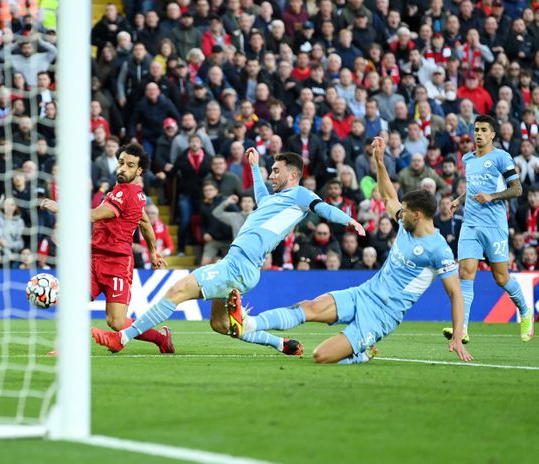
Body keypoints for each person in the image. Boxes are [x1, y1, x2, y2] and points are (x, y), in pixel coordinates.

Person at [222, 137, 472, 364]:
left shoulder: (439, 250)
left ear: (418, 215)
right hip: (364, 293)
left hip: (382, 314)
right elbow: (388, 196)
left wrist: (458, 334)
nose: (399, 212)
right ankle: (248, 322)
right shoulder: (407, 224)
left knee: (321, 356)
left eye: (405, 211)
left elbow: (456, 295)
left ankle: (362, 353)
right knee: (308, 307)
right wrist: (379, 160)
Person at [91, 149, 365, 353]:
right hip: (240, 266)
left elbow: (323, 207)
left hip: (238, 265)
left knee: (176, 292)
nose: (272, 174)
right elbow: (261, 197)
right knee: (221, 325)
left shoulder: (301, 195)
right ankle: (281, 345)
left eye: (276, 170)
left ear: (293, 175)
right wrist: (255, 168)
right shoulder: (278, 200)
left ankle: (122, 338)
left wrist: (349, 220)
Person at [40, 143, 173, 353]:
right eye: (121, 163)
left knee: (116, 322)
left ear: (139, 171)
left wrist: (60, 208)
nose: (123, 168)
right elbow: (145, 223)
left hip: (117, 263)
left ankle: (161, 338)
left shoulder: (125, 194)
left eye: (130, 165)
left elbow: (93, 216)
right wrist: (153, 250)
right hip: (94, 260)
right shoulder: (130, 194)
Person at [444, 115, 534, 343]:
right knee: (465, 273)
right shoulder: (467, 158)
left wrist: (492, 196)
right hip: (471, 224)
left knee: (501, 278)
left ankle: (525, 312)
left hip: (494, 226)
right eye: (476, 129)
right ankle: (462, 328)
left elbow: (517, 189)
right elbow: (475, 187)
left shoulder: (501, 157)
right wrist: (459, 199)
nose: (478, 134)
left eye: (484, 130)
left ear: (493, 134)